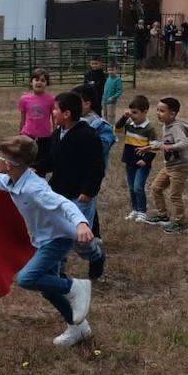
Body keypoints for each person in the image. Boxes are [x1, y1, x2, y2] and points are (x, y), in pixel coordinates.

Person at [0, 135, 95, 347]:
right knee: (48, 288)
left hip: (57, 239)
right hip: (43, 240)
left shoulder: (35, 188)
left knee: (27, 278)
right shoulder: (14, 179)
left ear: (8, 164)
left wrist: (81, 223)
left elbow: (63, 204)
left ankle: (75, 287)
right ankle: (78, 328)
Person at [33, 90, 105, 278]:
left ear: (67, 114)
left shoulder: (87, 136)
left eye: (55, 109)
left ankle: (96, 255)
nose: (52, 112)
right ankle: (58, 271)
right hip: (58, 191)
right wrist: (36, 168)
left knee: (79, 239)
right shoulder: (58, 133)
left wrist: (88, 191)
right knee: (57, 234)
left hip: (80, 194)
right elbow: (52, 158)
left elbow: (96, 167)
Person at [72, 84, 114, 282]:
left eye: (74, 102)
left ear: (87, 104)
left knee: (79, 222)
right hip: (69, 179)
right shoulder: (71, 123)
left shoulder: (100, 126)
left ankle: (95, 254)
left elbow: (97, 155)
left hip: (87, 180)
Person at [145, 96, 188, 233]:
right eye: (157, 110)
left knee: (175, 196)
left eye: (162, 111)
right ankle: (162, 216)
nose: (158, 113)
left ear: (172, 114)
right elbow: (165, 144)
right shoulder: (166, 126)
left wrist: (168, 148)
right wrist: (151, 147)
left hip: (179, 168)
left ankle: (180, 223)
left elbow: (184, 143)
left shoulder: (176, 127)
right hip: (169, 167)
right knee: (156, 188)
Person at [118, 95, 159, 221]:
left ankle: (142, 211)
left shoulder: (149, 128)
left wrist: (145, 160)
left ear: (145, 111)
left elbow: (154, 147)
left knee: (138, 187)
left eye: (135, 113)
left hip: (142, 164)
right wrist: (124, 117)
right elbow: (117, 128)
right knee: (131, 187)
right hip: (130, 161)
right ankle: (134, 210)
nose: (132, 115)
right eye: (131, 112)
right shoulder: (129, 125)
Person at [17, 69, 55, 143]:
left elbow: (54, 119)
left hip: (45, 136)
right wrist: (20, 133)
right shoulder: (24, 99)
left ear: (47, 83)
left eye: (42, 80)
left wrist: (55, 134)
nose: (39, 82)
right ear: (31, 82)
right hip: (28, 135)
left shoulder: (51, 99)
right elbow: (23, 119)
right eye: (36, 80)